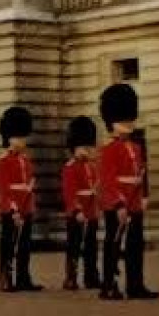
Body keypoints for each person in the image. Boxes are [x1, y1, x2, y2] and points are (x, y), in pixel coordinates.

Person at [97, 82, 159, 301]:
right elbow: (108, 180)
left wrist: (143, 196)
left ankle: (135, 284)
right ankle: (108, 284)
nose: (128, 123)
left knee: (135, 245)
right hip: (119, 204)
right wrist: (118, 204)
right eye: (124, 119)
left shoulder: (135, 147)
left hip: (134, 202)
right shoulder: (108, 149)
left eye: (129, 119)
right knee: (113, 244)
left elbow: (141, 173)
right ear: (113, 122)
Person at [0, 106, 41, 292]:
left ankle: (23, 277)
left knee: (24, 245)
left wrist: (28, 205)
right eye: (18, 137)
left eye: (23, 137)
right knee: (8, 244)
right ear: (9, 137)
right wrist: (13, 209)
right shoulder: (4, 161)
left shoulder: (25, 160)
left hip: (26, 207)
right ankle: (5, 277)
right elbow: (4, 188)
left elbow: (27, 184)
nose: (22, 141)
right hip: (11, 208)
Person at [60, 116, 101, 291]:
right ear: (74, 147)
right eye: (82, 147)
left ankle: (91, 276)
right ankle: (71, 277)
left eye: (88, 147)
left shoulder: (92, 167)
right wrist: (77, 210)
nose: (86, 151)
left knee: (91, 246)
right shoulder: (70, 168)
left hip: (91, 211)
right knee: (74, 246)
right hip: (76, 213)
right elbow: (70, 192)